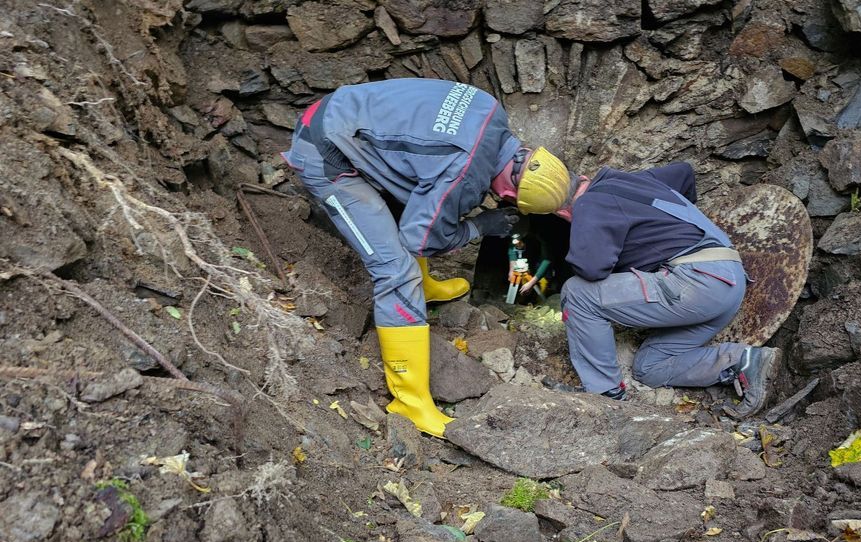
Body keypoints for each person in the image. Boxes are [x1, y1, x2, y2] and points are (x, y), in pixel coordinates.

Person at [281, 78, 570, 436]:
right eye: (512, 201)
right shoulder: (463, 173)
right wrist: (481, 226)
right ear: (511, 191)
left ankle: (427, 288)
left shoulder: (491, 109)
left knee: (420, 198)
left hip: (345, 113)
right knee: (396, 272)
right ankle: (411, 402)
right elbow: (420, 240)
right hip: (326, 154)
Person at [519, 156, 782, 417]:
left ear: (561, 212)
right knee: (650, 367)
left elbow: (592, 269)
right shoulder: (632, 180)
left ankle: (605, 395)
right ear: (578, 176)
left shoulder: (588, 204)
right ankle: (744, 361)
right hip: (727, 282)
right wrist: (666, 232)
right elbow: (684, 172)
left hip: (696, 281)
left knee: (577, 293)